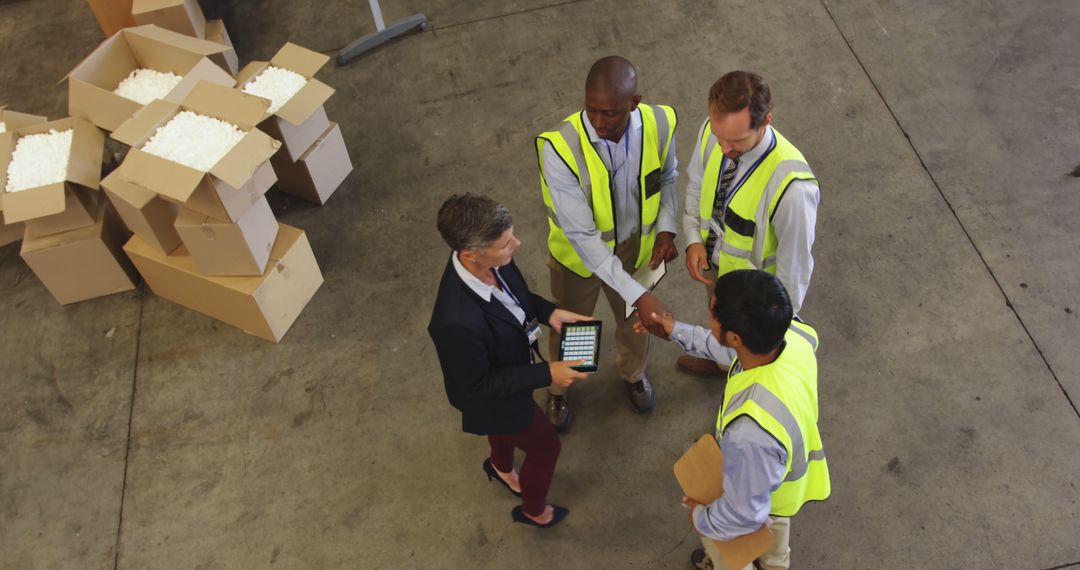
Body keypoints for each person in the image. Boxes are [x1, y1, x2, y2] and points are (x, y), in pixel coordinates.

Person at [635, 270, 830, 569]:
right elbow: (729, 351)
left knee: (734, 555)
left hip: (761, 491)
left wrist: (702, 520)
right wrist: (675, 330)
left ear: (736, 337)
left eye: (713, 313)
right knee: (776, 544)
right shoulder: (790, 334)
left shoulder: (751, 432)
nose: (708, 314)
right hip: (784, 486)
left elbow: (743, 514)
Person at [428, 194, 594, 528]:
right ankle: (534, 511)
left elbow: (517, 299)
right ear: (469, 254)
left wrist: (551, 313)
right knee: (546, 448)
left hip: (508, 371)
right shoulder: (456, 321)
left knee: (504, 433)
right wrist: (547, 372)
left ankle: (501, 467)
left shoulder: (493, 261)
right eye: (505, 244)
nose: (516, 245)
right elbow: (481, 385)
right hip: (492, 397)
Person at [535, 55, 679, 431]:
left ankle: (633, 375)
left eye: (610, 114)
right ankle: (564, 386)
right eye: (591, 111)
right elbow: (584, 238)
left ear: (635, 103)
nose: (598, 123)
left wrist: (666, 227)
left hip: (635, 247)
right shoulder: (559, 149)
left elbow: (667, 175)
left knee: (635, 322)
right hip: (579, 261)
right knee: (577, 325)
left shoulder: (660, 123)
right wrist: (640, 293)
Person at [679, 71, 821, 377]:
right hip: (718, 272)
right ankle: (721, 358)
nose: (724, 149)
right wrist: (693, 239)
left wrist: (769, 340)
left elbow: (794, 274)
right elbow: (696, 184)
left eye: (737, 141)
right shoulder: (712, 131)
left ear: (766, 120)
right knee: (722, 327)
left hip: (754, 303)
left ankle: (738, 372)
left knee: (747, 369)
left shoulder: (792, 189)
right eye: (720, 136)